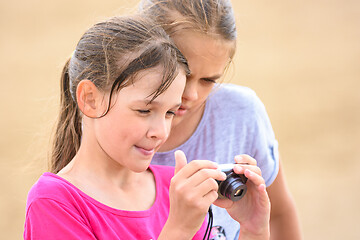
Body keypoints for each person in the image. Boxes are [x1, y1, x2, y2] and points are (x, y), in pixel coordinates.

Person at [24, 15, 271, 240]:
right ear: (90, 98)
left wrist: (253, 229)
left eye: (169, 113)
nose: (160, 132)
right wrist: (179, 229)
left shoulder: (172, 187)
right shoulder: (54, 202)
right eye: (145, 110)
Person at [139, 0, 303, 239]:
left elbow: (277, 214)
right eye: (183, 73)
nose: (192, 95)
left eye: (209, 80)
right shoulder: (115, 127)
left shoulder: (241, 112)